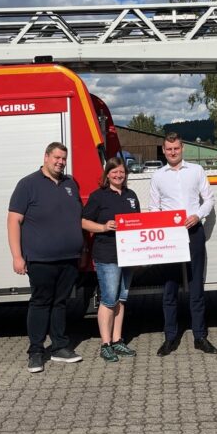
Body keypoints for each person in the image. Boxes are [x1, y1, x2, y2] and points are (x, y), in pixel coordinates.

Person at [7, 142, 84, 373]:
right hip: (40, 259)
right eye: (57, 158)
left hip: (69, 258)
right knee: (40, 303)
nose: (60, 162)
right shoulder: (28, 184)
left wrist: (82, 252)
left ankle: (60, 347)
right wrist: (17, 256)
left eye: (64, 159)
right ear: (46, 157)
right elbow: (13, 221)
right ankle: (36, 352)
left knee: (60, 303)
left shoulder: (70, 184)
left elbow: (76, 218)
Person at [149, 132, 217, 355]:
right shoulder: (158, 176)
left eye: (176, 148)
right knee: (169, 288)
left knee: (196, 286)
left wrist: (198, 215)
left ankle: (200, 336)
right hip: (169, 236)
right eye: (169, 149)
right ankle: (170, 337)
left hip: (194, 231)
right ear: (163, 150)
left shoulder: (196, 171)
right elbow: (153, 208)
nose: (172, 152)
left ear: (182, 148)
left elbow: (209, 199)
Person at [81, 156, 140, 363]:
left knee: (121, 299)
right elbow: (83, 221)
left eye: (122, 172)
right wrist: (104, 227)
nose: (118, 175)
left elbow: (138, 224)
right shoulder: (99, 196)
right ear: (107, 175)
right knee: (108, 299)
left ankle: (117, 340)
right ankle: (105, 344)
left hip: (128, 256)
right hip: (107, 255)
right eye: (114, 172)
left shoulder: (131, 195)